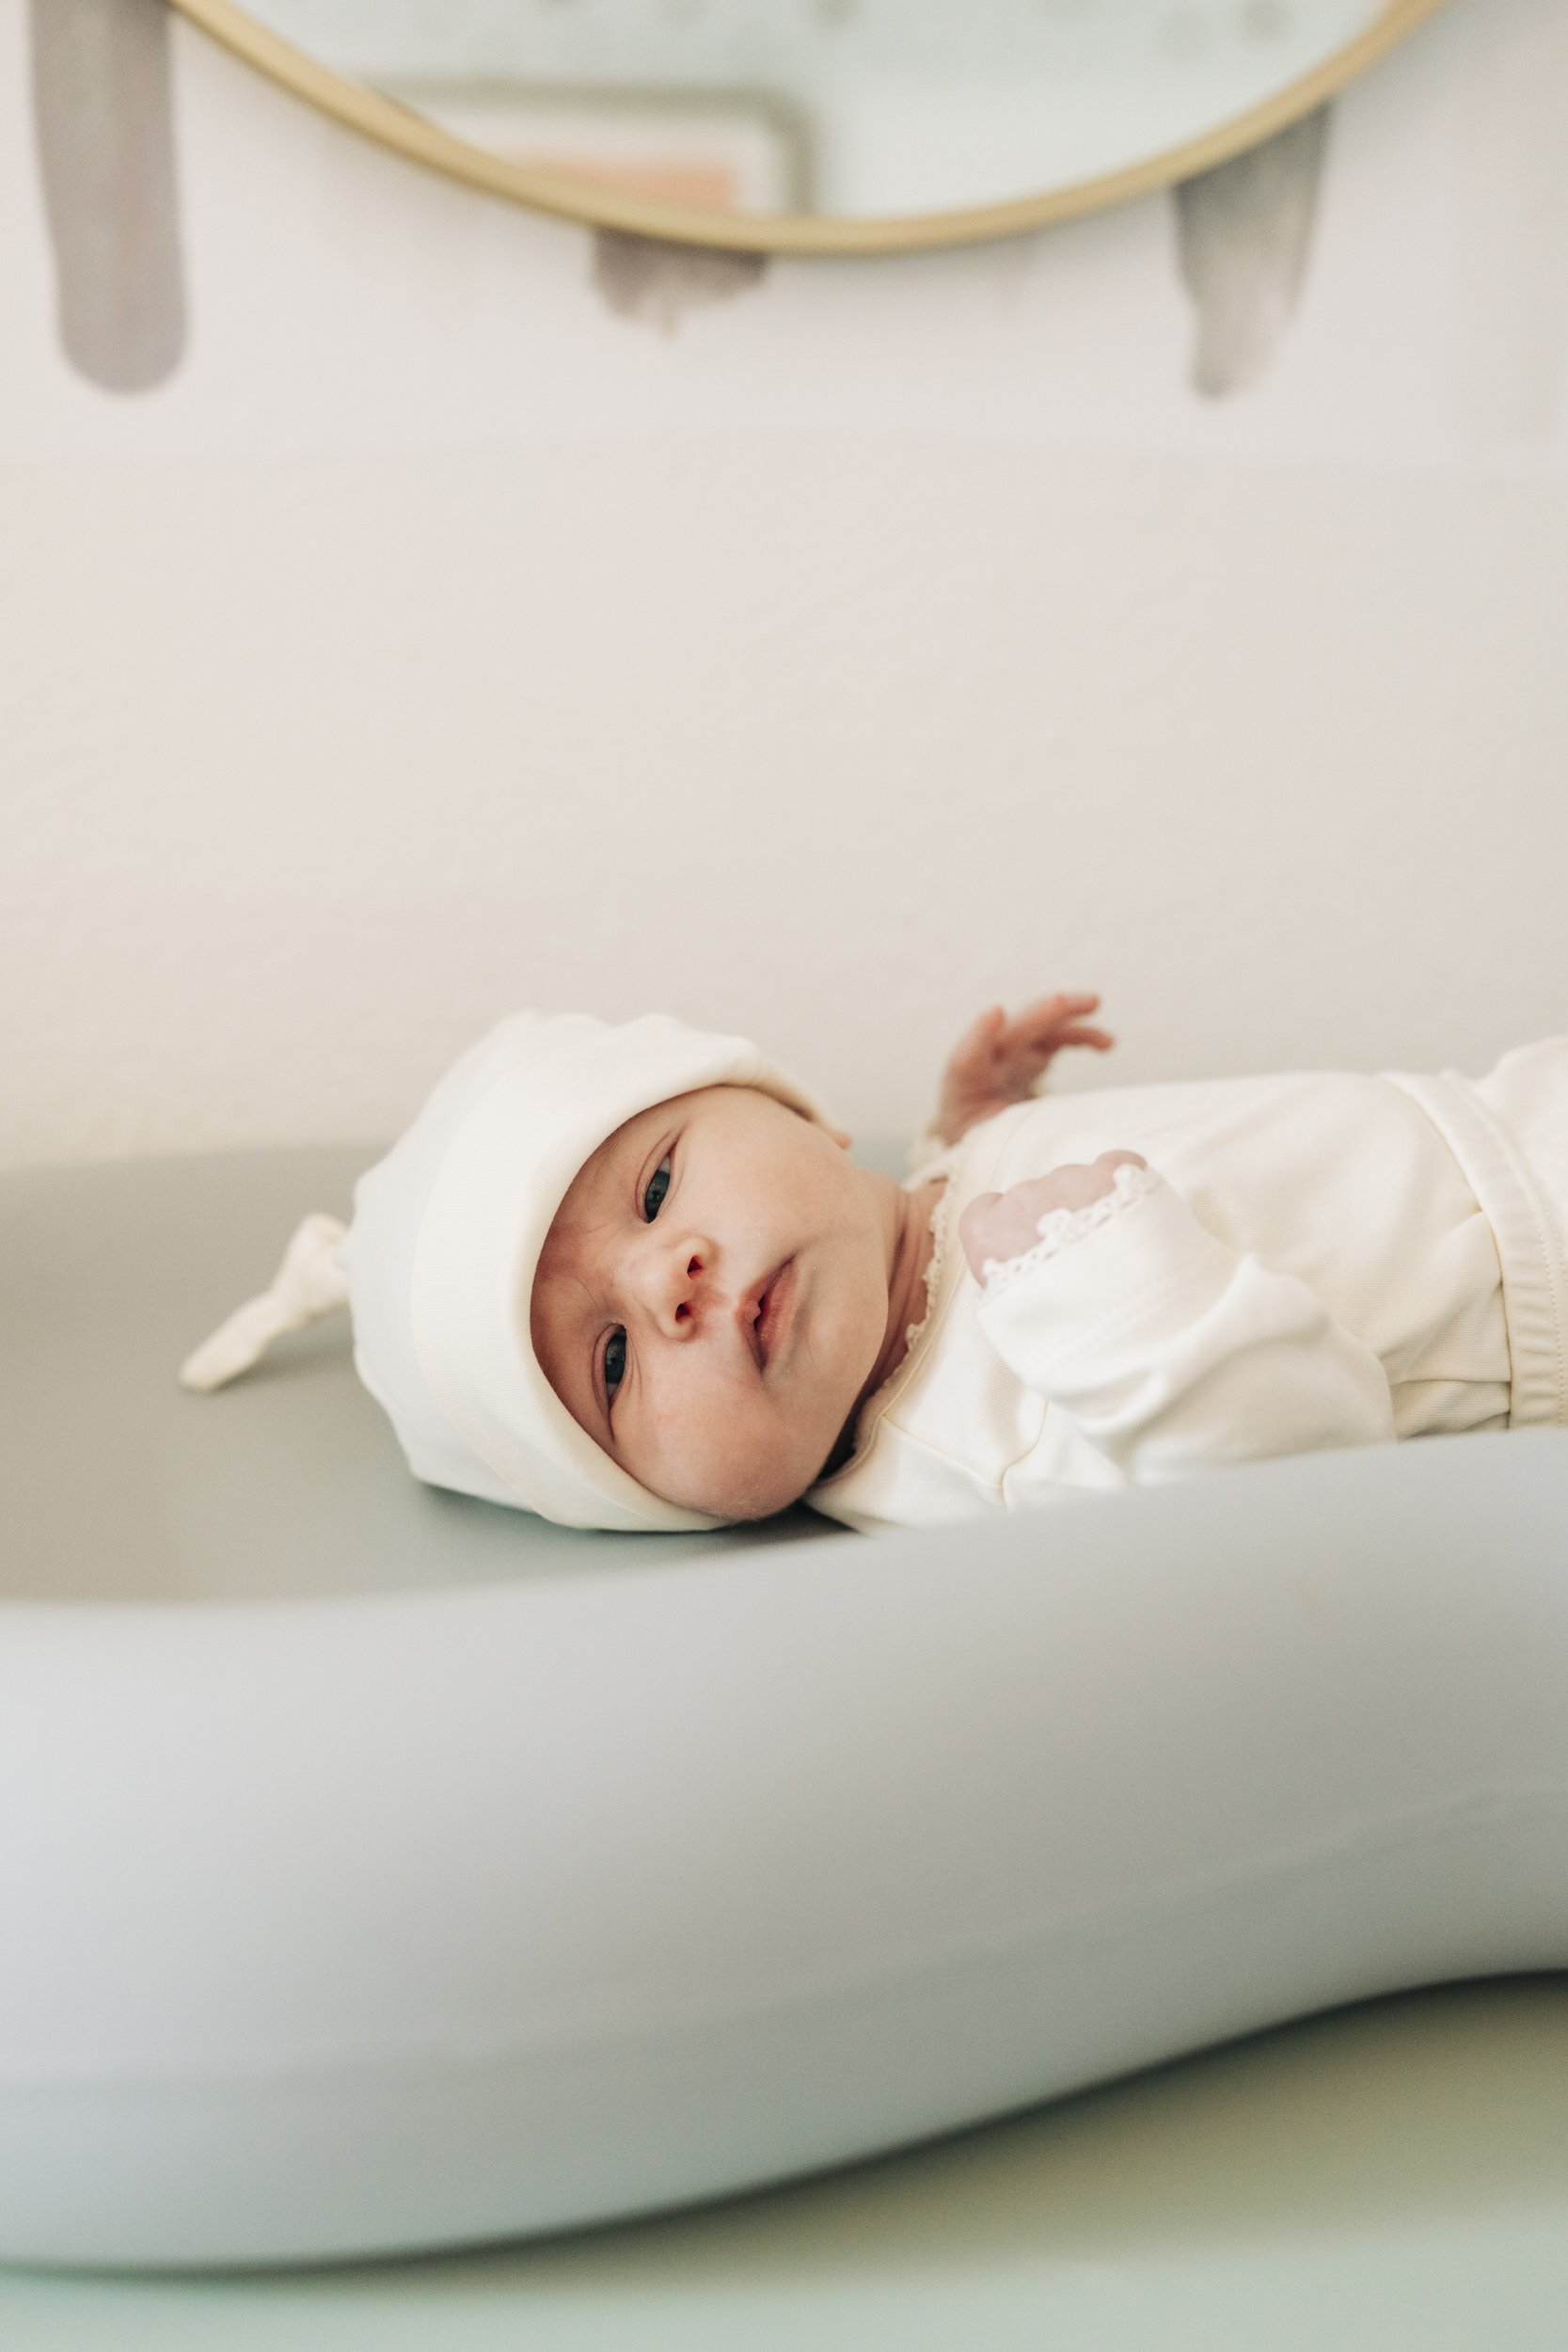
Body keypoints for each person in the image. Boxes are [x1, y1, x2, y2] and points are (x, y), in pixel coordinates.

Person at [181, 1002, 1566, 1534]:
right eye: (611, 1362)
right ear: (657, 1501)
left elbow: (937, 1242)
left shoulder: (912, 1221)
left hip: (1506, 1103)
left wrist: (976, 1133)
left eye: (657, 1184)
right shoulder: (972, 1453)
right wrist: (1117, 1284)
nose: (669, 1278)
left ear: (800, 1113)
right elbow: (1306, 1479)